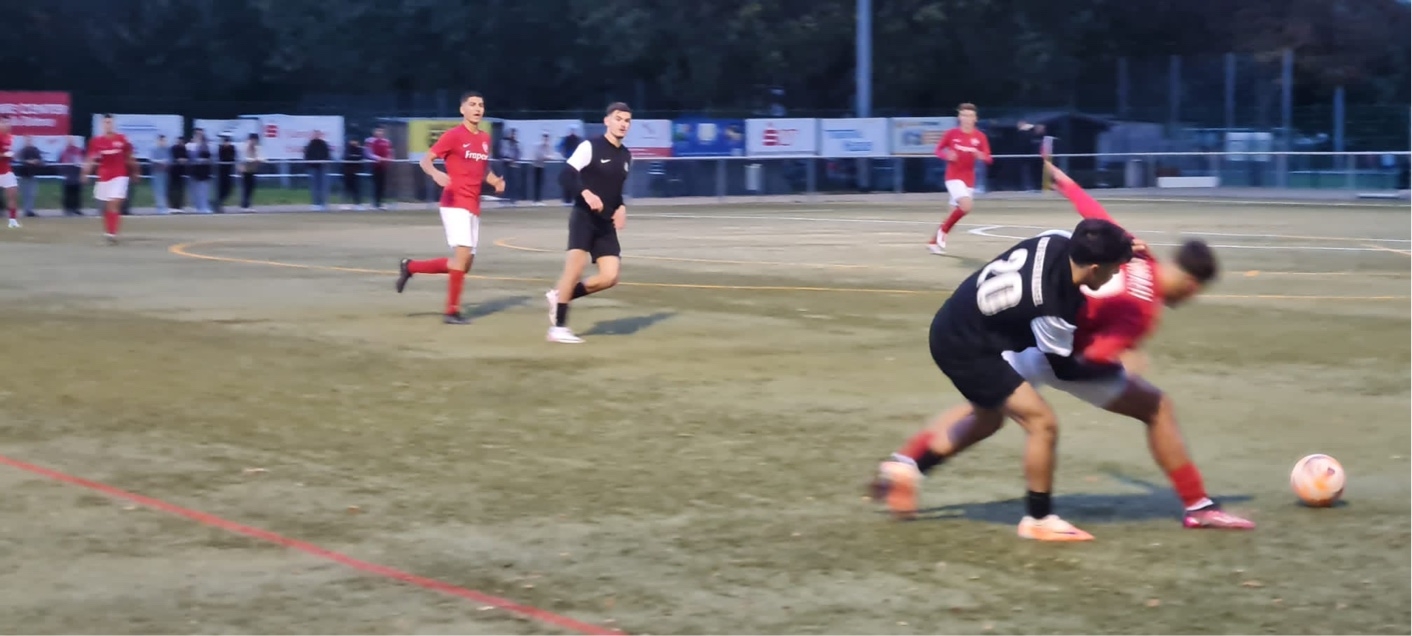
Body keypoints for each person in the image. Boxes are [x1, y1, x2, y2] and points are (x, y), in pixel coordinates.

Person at [873, 162, 1253, 531]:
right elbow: (1087, 359)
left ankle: (907, 465)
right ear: (1191, 285)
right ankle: (1197, 505)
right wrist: (1120, 362)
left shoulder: (1134, 253)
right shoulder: (1141, 311)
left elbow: (1097, 218)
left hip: (1026, 336)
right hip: (1059, 349)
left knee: (986, 412)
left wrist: (1067, 185)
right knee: (1156, 408)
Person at [897, 216, 1134, 541]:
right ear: (1094, 269)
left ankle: (907, 470)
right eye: (1114, 269)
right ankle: (1039, 519)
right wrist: (1112, 367)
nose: (1116, 274)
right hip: (965, 347)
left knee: (987, 419)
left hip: (957, 320)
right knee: (1042, 423)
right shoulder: (1052, 307)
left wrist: (1125, 245)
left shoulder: (1056, 240)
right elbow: (1063, 369)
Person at [394, 91, 505, 324]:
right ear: (462, 109)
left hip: (473, 204)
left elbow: (483, 167)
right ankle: (451, 312)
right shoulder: (453, 136)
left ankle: (410, 267)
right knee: (461, 259)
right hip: (454, 202)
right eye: (472, 104)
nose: (477, 108)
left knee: (463, 265)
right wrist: (435, 173)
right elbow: (426, 160)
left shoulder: (485, 138)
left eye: (481, 105)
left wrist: (495, 180)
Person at [545, 102, 633, 344]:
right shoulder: (590, 146)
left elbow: (615, 191)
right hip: (584, 217)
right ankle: (558, 329)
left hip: (605, 223)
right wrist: (585, 193)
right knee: (573, 270)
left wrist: (621, 207)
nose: (623, 124)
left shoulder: (626, 155)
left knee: (610, 277)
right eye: (618, 119)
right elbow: (566, 175)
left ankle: (560, 296)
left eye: (627, 120)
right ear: (607, 121)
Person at [929, 103, 992, 254]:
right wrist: (946, 155)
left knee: (953, 214)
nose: (967, 119)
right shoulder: (951, 134)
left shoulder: (980, 137)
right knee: (966, 206)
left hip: (969, 179)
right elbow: (938, 150)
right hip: (953, 177)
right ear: (959, 117)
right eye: (964, 115)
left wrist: (981, 156)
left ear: (975, 118)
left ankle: (933, 242)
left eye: (970, 116)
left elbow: (989, 158)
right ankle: (942, 233)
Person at [80, 114, 137, 244]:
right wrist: (85, 173)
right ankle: (109, 230)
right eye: (106, 123)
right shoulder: (96, 141)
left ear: (113, 124)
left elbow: (129, 157)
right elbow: (90, 159)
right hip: (104, 177)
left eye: (110, 122)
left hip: (120, 176)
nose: (108, 125)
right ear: (102, 125)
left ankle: (112, 233)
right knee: (104, 207)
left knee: (114, 203)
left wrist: (135, 171)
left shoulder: (122, 139)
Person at [0, 118, 18, 228]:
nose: (7, 125)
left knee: (12, 193)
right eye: (3, 123)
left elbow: (11, 152)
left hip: (6, 171)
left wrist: (11, 155)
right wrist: (4, 155)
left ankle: (12, 220)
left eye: (8, 123)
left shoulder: (11, 137)